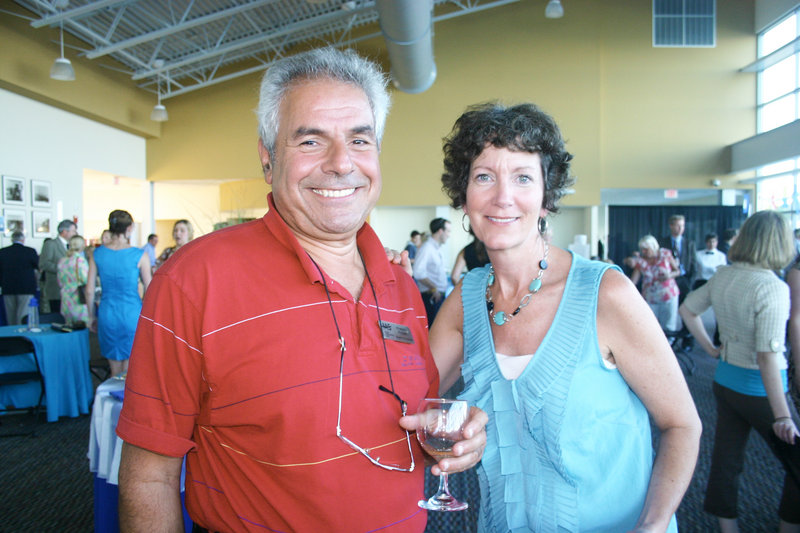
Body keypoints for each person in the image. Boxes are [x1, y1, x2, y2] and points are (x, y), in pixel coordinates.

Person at [116, 48, 487, 533]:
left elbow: (400, 424)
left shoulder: (401, 285)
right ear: (268, 160)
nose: (340, 163)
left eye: (359, 139)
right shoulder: (195, 279)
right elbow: (148, 478)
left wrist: (455, 439)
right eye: (311, 141)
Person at [431, 102, 701, 532]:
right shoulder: (465, 300)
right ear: (463, 196)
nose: (503, 196)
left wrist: (652, 523)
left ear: (546, 198)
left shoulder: (605, 295)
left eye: (522, 177)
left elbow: (682, 424)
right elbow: (410, 403)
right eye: (484, 176)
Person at [680, 210, 800, 533]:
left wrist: (710, 349)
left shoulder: (724, 275)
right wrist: (783, 415)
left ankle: (727, 528)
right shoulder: (773, 288)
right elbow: (766, 358)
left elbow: (687, 310)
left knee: (726, 462)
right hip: (760, 390)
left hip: (724, 380)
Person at [87, 210, 152, 377]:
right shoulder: (140, 255)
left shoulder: (98, 254)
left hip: (107, 312)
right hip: (132, 313)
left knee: (114, 371)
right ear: (130, 228)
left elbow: (89, 290)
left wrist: (91, 316)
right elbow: (150, 288)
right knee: (131, 370)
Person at [629, 235, 682, 332]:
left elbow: (677, 271)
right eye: (642, 249)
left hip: (668, 295)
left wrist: (669, 276)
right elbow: (633, 281)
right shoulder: (641, 261)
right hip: (650, 297)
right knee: (651, 327)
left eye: (646, 249)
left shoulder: (665, 254)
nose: (643, 252)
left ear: (653, 246)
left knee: (668, 326)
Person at [412, 217, 451, 325]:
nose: (449, 235)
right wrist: (434, 288)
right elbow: (418, 272)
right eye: (448, 231)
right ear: (440, 231)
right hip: (431, 296)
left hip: (438, 296)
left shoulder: (437, 249)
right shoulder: (427, 248)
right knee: (432, 331)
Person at [0, 231, 39, 325]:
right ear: (23, 239)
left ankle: (12, 337)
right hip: (26, 288)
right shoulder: (30, 251)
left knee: (10, 316)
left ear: (12, 239)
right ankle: (21, 336)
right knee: (23, 315)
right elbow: (38, 266)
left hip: (8, 287)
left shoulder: (3, 252)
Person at [39, 219, 77, 314]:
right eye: (73, 231)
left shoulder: (72, 246)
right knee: (57, 317)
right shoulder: (51, 244)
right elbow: (44, 263)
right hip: (56, 290)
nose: (75, 233)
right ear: (65, 232)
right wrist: (63, 269)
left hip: (71, 291)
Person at [56, 234, 89, 325]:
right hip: (78, 298)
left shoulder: (62, 261)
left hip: (65, 297)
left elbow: (59, 280)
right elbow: (86, 280)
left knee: (68, 327)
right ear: (82, 246)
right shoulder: (80, 260)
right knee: (81, 326)